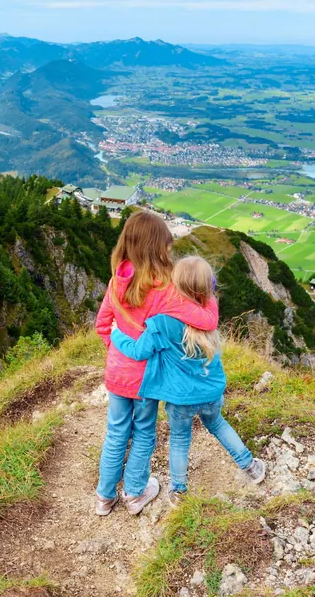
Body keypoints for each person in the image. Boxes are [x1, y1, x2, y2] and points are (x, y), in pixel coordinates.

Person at [110, 256, 266, 505]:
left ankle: (179, 491)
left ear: (174, 285)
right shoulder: (210, 310)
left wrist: (116, 334)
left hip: (180, 397)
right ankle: (251, 467)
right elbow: (209, 293)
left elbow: (139, 352)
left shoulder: (161, 322)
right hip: (211, 390)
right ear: (208, 287)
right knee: (218, 425)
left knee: (180, 440)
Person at [94, 211, 220, 516]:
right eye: (165, 246)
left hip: (115, 374)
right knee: (144, 433)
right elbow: (207, 320)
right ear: (156, 248)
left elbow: (102, 325)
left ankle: (104, 497)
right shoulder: (165, 290)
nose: (168, 251)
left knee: (115, 433)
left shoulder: (116, 280)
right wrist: (210, 293)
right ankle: (135, 493)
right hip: (145, 378)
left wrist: (117, 351)